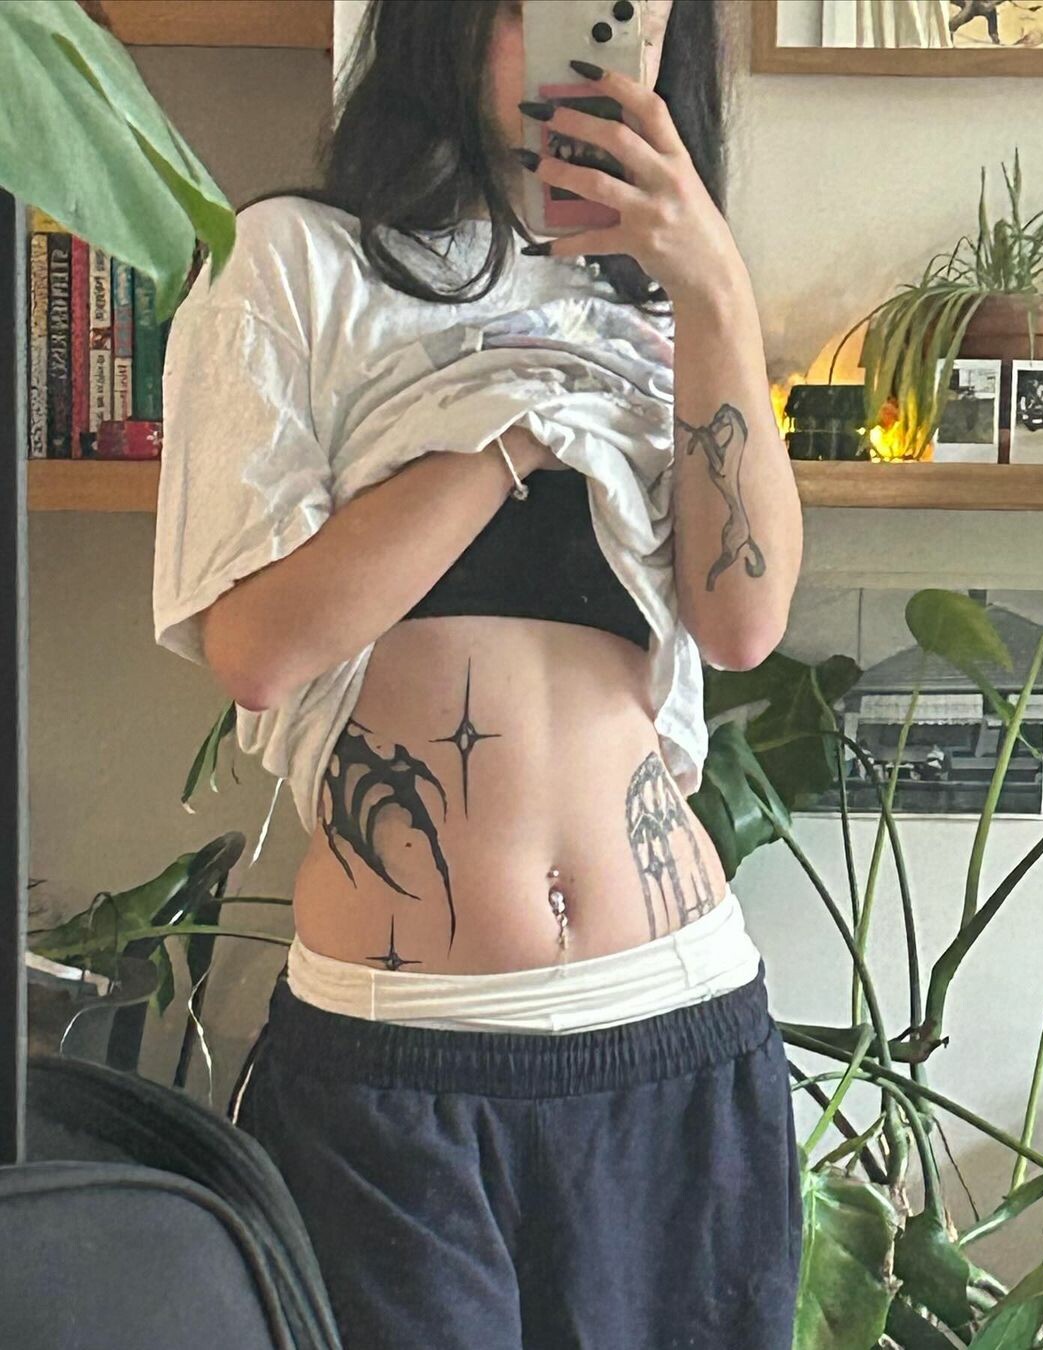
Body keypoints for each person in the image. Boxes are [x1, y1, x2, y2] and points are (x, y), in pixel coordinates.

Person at [152, 1, 806, 1346]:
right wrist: (509, 444)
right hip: (398, 1061)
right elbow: (258, 650)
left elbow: (742, 622)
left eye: (626, 5)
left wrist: (716, 289)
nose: (587, 36)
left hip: (674, 1026)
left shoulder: (670, 296)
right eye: (531, 5)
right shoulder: (290, 261)